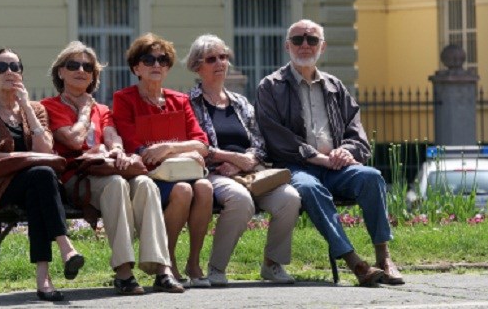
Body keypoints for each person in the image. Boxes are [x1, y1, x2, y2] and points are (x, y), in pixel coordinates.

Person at [255, 19, 404, 286]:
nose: (304, 45)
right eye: (298, 39)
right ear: (286, 45)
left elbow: (356, 132)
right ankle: (355, 262)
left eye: (312, 40)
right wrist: (317, 156)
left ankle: (384, 258)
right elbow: (276, 137)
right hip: (295, 168)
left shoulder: (335, 86)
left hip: (337, 168)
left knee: (371, 177)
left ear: (321, 47)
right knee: (310, 188)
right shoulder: (271, 86)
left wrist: (347, 152)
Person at [41, 41, 183, 295]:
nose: (81, 70)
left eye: (88, 66)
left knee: (145, 184)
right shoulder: (50, 106)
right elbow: (72, 140)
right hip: (78, 178)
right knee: (116, 185)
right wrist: (84, 111)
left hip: (107, 171)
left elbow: (112, 135)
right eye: (73, 65)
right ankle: (124, 272)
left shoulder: (103, 109)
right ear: (60, 72)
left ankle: (161, 268)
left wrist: (117, 151)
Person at [0, 48, 85, 302]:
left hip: (36, 187)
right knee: (41, 174)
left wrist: (26, 107)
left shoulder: (36, 109)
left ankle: (44, 280)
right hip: (1, 188)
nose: (8, 72)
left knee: (39, 182)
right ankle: (65, 248)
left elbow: (45, 149)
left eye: (14, 67)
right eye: (1, 68)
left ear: (21, 73)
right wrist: (26, 161)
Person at [184, 34, 302, 286]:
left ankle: (272, 264)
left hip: (250, 172)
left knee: (289, 198)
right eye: (212, 58)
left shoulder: (240, 102)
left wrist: (244, 160)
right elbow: (195, 145)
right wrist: (226, 158)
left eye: (224, 57)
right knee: (240, 200)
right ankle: (216, 268)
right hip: (213, 173)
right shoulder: (189, 103)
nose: (220, 63)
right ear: (197, 65)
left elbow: (259, 140)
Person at [112, 32, 213, 288]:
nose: (157, 64)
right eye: (149, 59)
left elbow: (202, 143)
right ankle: (165, 264)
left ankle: (193, 261)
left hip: (185, 173)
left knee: (205, 187)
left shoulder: (179, 100)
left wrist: (168, 148)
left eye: (163, 59)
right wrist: (186, 150)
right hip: (150, 178)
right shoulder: (125, 99)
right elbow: (138, 148)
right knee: (182, 191)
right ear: (136, 67)